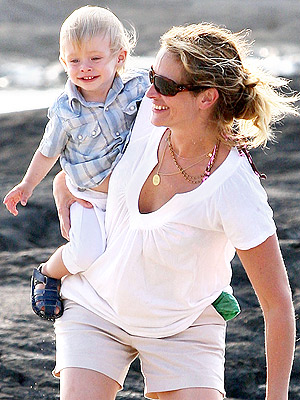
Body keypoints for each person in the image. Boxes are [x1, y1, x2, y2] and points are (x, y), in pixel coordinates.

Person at [53, 23, 297, 400]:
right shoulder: (140, 115)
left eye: (165, 86)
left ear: (207, 98)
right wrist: (62, 183)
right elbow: (80, 142)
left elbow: (277, 304)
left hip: (184, 329)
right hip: (96, 308)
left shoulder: (235, 187)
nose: (150, 91)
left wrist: (277, 397)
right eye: (152, 77)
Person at [3, 6, 148, 320]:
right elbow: (47, 152)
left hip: (133, 192)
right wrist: (27, 185)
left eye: (95, 58)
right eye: (74, 60)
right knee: (86, 252)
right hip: (88, 196)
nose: (85, 68)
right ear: (62, 62)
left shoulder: (137, 88)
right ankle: (49, 273)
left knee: (154, 245)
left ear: (120, 57)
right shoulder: (66, 109)